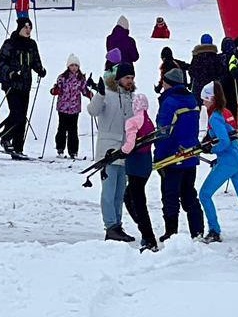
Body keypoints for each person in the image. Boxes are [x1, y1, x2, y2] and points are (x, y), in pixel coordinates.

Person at [198, 82, 238, 242]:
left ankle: (214, 230)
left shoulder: (215, 117)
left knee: (204, 194)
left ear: (211, 99)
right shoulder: (226, 112)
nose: (203, 104)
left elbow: (224, 142)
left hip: (228, 162)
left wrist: (211, 150)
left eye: (205, 100)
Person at [88, 63, 139, 241]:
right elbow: (92, 111)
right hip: (108, 151)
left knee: (119, 194)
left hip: (125, 151)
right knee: (108, 193)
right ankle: (110, 226)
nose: (130, 81)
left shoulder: (132, 98)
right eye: (127, 78)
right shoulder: (107, 95)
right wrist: (99, 94)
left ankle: (117, 225)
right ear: (118, 79)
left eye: (132, 78)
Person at [155, 67, 206, 240]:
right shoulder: (192, 99)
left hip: (172, 155)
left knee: (170, 196)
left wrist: (159, 157)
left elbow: (163, 132)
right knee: (189, 193)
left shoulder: (170, 102)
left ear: (168, 83)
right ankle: (197, 230)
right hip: (190, 153)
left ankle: (171, 233)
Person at [0, 18, 46, 158]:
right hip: (12, 85)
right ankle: (5, 138)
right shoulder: (10, 44)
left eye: (30, 27)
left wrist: (40, 69)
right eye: (26, 27)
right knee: (16, 113)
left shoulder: (31, 44)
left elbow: (35, 61)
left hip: (25, 85)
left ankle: (18, 148)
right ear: (19, 28)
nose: (28, 30)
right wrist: (10, 73)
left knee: (22, 117)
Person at [122, 93, 160, 251]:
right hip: (145, 163)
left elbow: (130, 144)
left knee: (136, 201)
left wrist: (122, 151)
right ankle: (145, 231)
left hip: (135, 163)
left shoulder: (132, 121)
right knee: (130, 196)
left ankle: (148, 236)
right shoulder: (149, 121)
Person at [50, 55, 92, 159]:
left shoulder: (81, 78)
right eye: (72, 65)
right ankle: (60, 148)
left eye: (76, 65)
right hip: (63, 107)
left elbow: (84, 90)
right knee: (62, 129)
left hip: (74, 108)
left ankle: (73, 151)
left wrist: (90, 94)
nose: (74, 68)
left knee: (73, 130)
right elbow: (56, 89)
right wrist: (54, 90)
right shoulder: (62, 77)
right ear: (68, 66)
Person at [190, 33, 226, 100]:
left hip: (198, 89)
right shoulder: (215, 57)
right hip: (212, 89)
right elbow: (221, 72)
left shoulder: (197, 57)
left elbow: (191, 72)